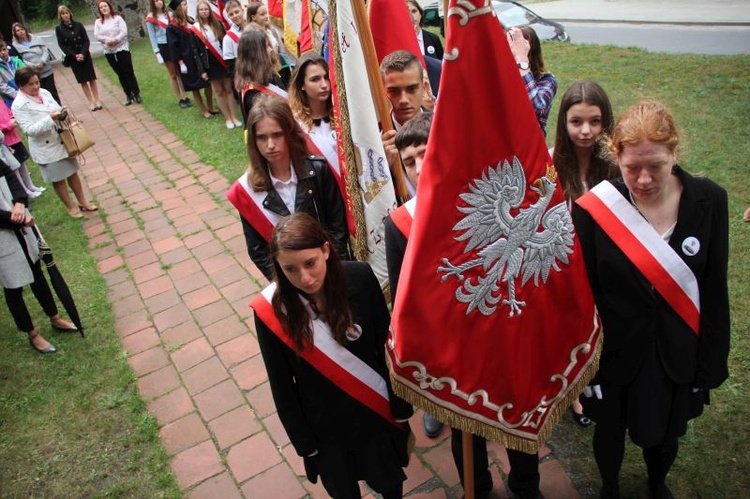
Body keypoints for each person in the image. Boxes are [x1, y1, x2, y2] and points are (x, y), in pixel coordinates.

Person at [574, 100, 730, 498]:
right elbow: (583, 293)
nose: (643, 179)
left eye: (656, 166)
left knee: (666, 433)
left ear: (675, 153)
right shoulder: (595, 210)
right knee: (609, 431)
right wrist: (585, 368)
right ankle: (609, 486)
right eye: (632, 168)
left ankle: (656, 484)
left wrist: (708, 366)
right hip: (615, 354)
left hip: (677, 353)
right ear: (616, 155)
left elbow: (714, 289)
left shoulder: (709, 200)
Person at [251, 212, 412, 499]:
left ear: (325, 249)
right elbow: (282, 386)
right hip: (325, 429)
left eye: (310, 263)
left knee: (389, 484)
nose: (305, 277)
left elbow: (385, 344)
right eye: (290, 269)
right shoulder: (272, 313)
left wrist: (400, 407)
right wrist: (305, 444)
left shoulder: (360, 277)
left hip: (372, 414)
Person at [552, 80, 618, 428]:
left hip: (603, 271)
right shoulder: (550, 165)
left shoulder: (617, 166)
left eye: (595, 122)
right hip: (562, 270)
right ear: (564, 123)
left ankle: (591, 381)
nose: (586, 131)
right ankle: (573, 394)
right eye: (576, 122)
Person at [225, 94, 348, 281]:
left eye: (277, 135)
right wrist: (286, 283)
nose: (270, 145)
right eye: (261, 137)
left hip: (329, 270)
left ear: (289, 133)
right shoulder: (248, 190)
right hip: (288, 281)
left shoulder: (318, 171)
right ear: (253, 141)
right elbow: (257, 250)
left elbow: (337, 227)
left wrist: (330, 269)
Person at [0, 159, 78, 354]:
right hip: (4, 235)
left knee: (37, 271)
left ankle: (54, 316)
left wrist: (19, 203)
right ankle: (32, 333)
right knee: (13, 286)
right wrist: (14, 219)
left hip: (22, 223)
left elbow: (11, 176)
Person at [12, 67, 96, 219]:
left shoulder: (44, 93)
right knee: (58, 178)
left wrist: (62, 114)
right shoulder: (19, 105)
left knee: (73, 172)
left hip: (62, 141)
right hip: (45, 147)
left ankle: (83, 201)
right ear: (21, 85)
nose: (36, 87)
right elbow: (29, 130)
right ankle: (70, 207)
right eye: (31, 84)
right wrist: (50, 118)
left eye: (37, 82)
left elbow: (56, 108)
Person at [379, 50, 431, 198]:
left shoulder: (444, 130)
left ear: (425, 87)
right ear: (383, 92)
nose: (403, 99)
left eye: (411, 89)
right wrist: (382, 167)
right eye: (394, 91)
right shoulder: (375, 141)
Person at [194, 0, 242, 128]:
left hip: (222, 60)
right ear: (198, 12)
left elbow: (225, 42)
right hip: (210, 63)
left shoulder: (218, 24)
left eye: (206, 9)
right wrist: (202, 70)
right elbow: (196, 51)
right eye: (201, 9)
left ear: (210, 11)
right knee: (219, 91)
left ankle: (234, 116)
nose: (204, 11)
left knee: (229, 89)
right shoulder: (195, 29)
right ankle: (227, 118)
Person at [167, 0, 218, 119]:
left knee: (207, 81)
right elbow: (173, 47)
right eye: (184, 4)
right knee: (195, 85)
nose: (186, 6)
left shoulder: (191, 20)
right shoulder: (172, 27)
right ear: (178, 8)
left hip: (199, 56)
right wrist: (180, 62)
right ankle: (203, 109)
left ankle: (210, 106)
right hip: (187, 59)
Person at [288, 53, 338, 175]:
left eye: (326, 77)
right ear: (302, 85)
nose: (324, 85)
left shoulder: (342, 116)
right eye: (315, 79)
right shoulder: (294, 122)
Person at [506, 26, 556, 136]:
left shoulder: (546, 80)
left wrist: (522, 60)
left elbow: (536, 109)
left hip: (529, 150)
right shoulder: (500, 80)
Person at [94, 0, 142, 106]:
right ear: (99, 10)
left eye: (105, 6)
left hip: (121, 47)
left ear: (109, 7)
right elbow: (97, 35)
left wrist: (115, 40)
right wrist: (107, 40)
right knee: (119, 72)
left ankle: (136, 93)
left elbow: (124, 32)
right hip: (108, 49)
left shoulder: (118, 18)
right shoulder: (98, 22)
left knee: (128, 70)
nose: (104, 9)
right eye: (101, 7)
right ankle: (128, 94)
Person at [55, 5, 103, 112]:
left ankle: (97, 99)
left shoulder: (78, 25)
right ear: (60, 16)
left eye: (67, 13)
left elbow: (86, 40)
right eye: (63, 14)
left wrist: (83, 53)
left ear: (70, 13)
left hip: (84, 55)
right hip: (73, 58)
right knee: (82, 80)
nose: (65, 15)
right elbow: (62, 45)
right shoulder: (59, 29)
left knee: (91, 78)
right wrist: (74, 55)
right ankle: (91, 101)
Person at [234, 29, 286, 126]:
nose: (271, 50)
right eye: (266, 47)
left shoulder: (268, 75)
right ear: (256, 54)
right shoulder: (253, 94)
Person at [146, 0, 190, 108]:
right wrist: (157, 52)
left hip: (173, 44)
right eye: (156, 1)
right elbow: (152, 37)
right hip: (163, 46)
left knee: (180, 71)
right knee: (173, 73)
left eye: (160, 0)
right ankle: (179, 98)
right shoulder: (150, 18)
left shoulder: (169, 14)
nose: (159, 2)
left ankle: (185, 96)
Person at [0, 98, 44, 198]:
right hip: (6, 143)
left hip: (14, 138)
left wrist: (12, 118)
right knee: (14, 167)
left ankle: (31, 186)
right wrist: (8, 125)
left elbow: (8, 111)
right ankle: (24, 190)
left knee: (22, 162)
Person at [11, 23, 61, 105]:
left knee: (52, 91)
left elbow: (45, 50)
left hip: (46, 69)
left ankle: (59, 108)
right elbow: (21, 59)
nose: (20, 32)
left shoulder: (36, 39)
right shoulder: (16, 46)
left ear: (25, 29)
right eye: (17, 30)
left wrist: (42, 61)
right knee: (40, 93)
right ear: (15, 33)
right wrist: (34, 66)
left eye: (21, 29)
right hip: (33, 73)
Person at [246, 1, 295, 87]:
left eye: (266, 13)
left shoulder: (272, 32)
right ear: (253, 17)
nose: (266, 16)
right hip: (265, 72)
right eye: (262, 14)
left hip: (281, 68)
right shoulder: (251, 36)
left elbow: (282, 51)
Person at [0, 40, 25, 107]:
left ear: (7, 49)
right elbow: (2, 86)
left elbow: (27, 76)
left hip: (26, 92)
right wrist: (17, 95)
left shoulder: (17, 61)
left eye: (4, 49)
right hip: (11, 100)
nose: (2, 52)